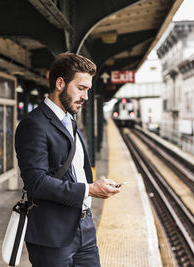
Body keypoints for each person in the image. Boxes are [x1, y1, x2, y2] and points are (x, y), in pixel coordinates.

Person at [15, 52, 120, 267]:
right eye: (81, 88)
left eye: (88, 90)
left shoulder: (70, 122)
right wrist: (89, 190)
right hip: (52, 235)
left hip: (85, 226)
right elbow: (36, 182)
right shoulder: (34, 124)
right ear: (60, 83)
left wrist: (95, 188)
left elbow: (75, 171)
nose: (85, 97)